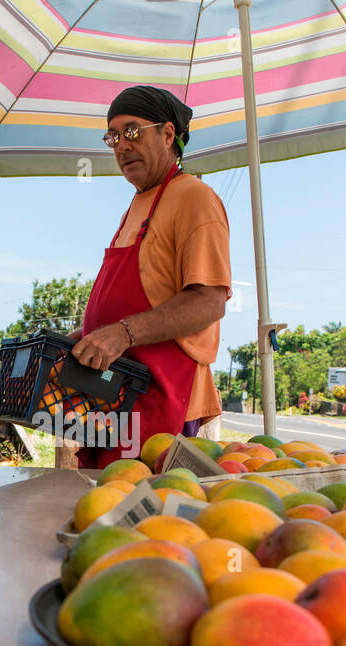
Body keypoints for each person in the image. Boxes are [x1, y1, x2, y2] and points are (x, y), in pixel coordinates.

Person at [71, 85, 230, 468]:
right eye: (112, 136)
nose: (121, 146)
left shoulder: (194, 197)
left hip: (162, 400)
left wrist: (122, 333)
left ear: (168, 134)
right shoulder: (137, 204)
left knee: (146, 517)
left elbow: (209, 300)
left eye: (132, 131)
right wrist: (82, 338)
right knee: (104, 512)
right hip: (114, 401)